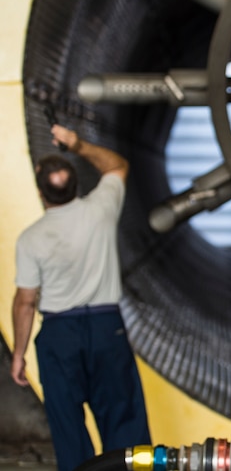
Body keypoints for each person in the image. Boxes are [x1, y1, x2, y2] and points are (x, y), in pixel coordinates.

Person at [11, 124, 151, 471]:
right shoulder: (100, 210)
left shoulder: (31, 239)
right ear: (76, 184)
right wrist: (77, 145)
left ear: (41, 192)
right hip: (107, 330)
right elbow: (117, 166)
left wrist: (18, 354)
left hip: (59, 337)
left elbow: (26, 302)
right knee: (125, 426)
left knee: (68, 430)